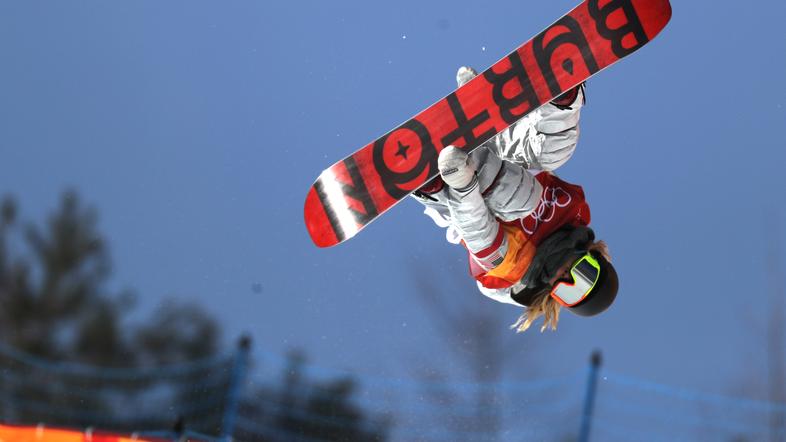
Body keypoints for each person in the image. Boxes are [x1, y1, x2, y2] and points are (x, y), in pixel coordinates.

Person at [411, 67, 618, 333]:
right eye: (585, 274)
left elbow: (481, 246)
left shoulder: (519, 276)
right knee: (553, 158)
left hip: (461, 195)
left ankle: (441, 179)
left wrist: (460, 186)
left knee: (504, 245)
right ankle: (561, 95)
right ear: (594, 256)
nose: (568, 277)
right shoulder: (571, 214)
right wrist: (482, 106)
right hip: (502, 146)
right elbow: (537, 165)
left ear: (555, 297)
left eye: (569, 292)